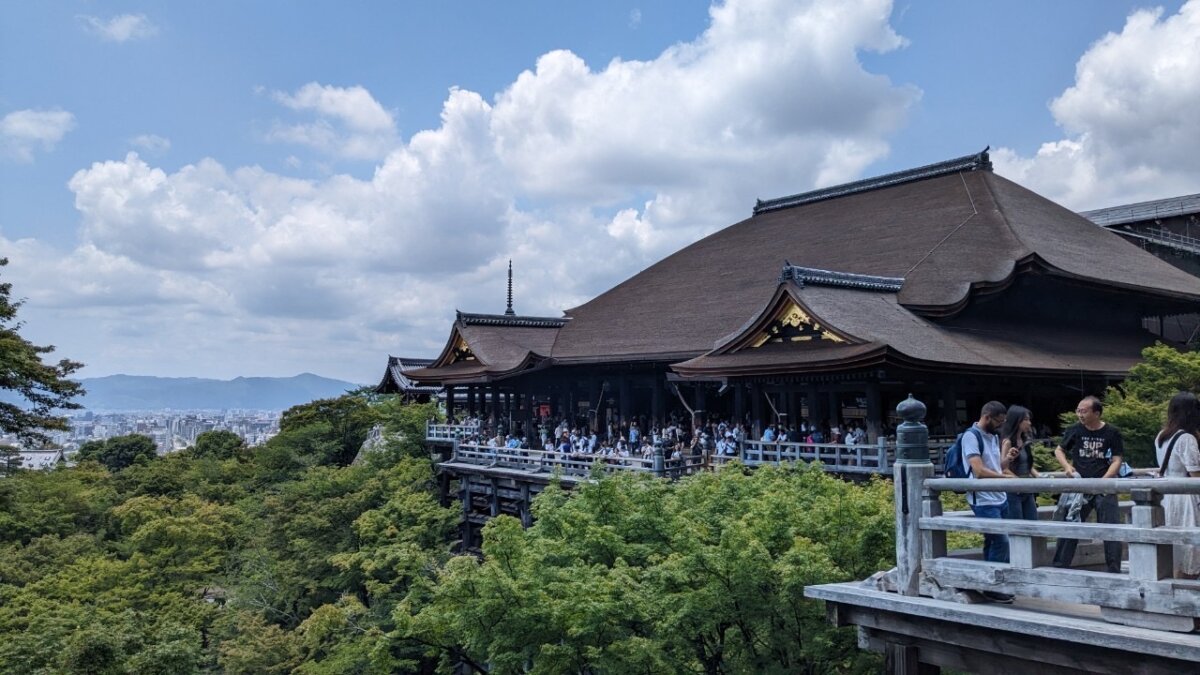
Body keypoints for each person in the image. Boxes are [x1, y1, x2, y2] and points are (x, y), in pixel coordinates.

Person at [1053, 396, 1124, 574]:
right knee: (1071, 526)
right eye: (1078, 410)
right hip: (1079, 486)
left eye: (1084, 411)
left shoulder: (1111, 432)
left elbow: (1117, 459)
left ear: (1097, 413)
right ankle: (1060, 567)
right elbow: (1059, 450)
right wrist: (1067, 467)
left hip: (1104, 486)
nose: (1080, 414)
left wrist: (1105, 480)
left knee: (1110, 527)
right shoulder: (1075, 430)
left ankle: (1114, 569)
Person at [961, 400, 1013, 602]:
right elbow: (979, 470)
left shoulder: (993, 436)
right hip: (983, 498)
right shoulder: (971, 436)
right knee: (1001, 540)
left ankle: (990, 582)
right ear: (987, 417)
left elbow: (995, 466)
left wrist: (1007, 459)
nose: (1000, 425)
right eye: (998, 421)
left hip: (1000, 496)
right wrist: (1005, 479)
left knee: (994, 540)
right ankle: (994, 586)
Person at [1155, 391, 1200, 578]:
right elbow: (1195, 474)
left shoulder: (1162, 436)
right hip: (1186, 499)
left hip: (1167, 496)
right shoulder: (1186, 438)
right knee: (1190, 548)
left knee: (1174, 550)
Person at [1000, 405, 1040, 521]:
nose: (1029, 423)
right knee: (1017, 526)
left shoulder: (1024, 440)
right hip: (1013, 490)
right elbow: (1003, 468)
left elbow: (1028, 465)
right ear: (1017, 421)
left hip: (1026, 488)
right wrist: (1019, 481)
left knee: (1033, 522)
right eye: (1026, 420)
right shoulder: (1007, 442)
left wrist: (1038, 475)